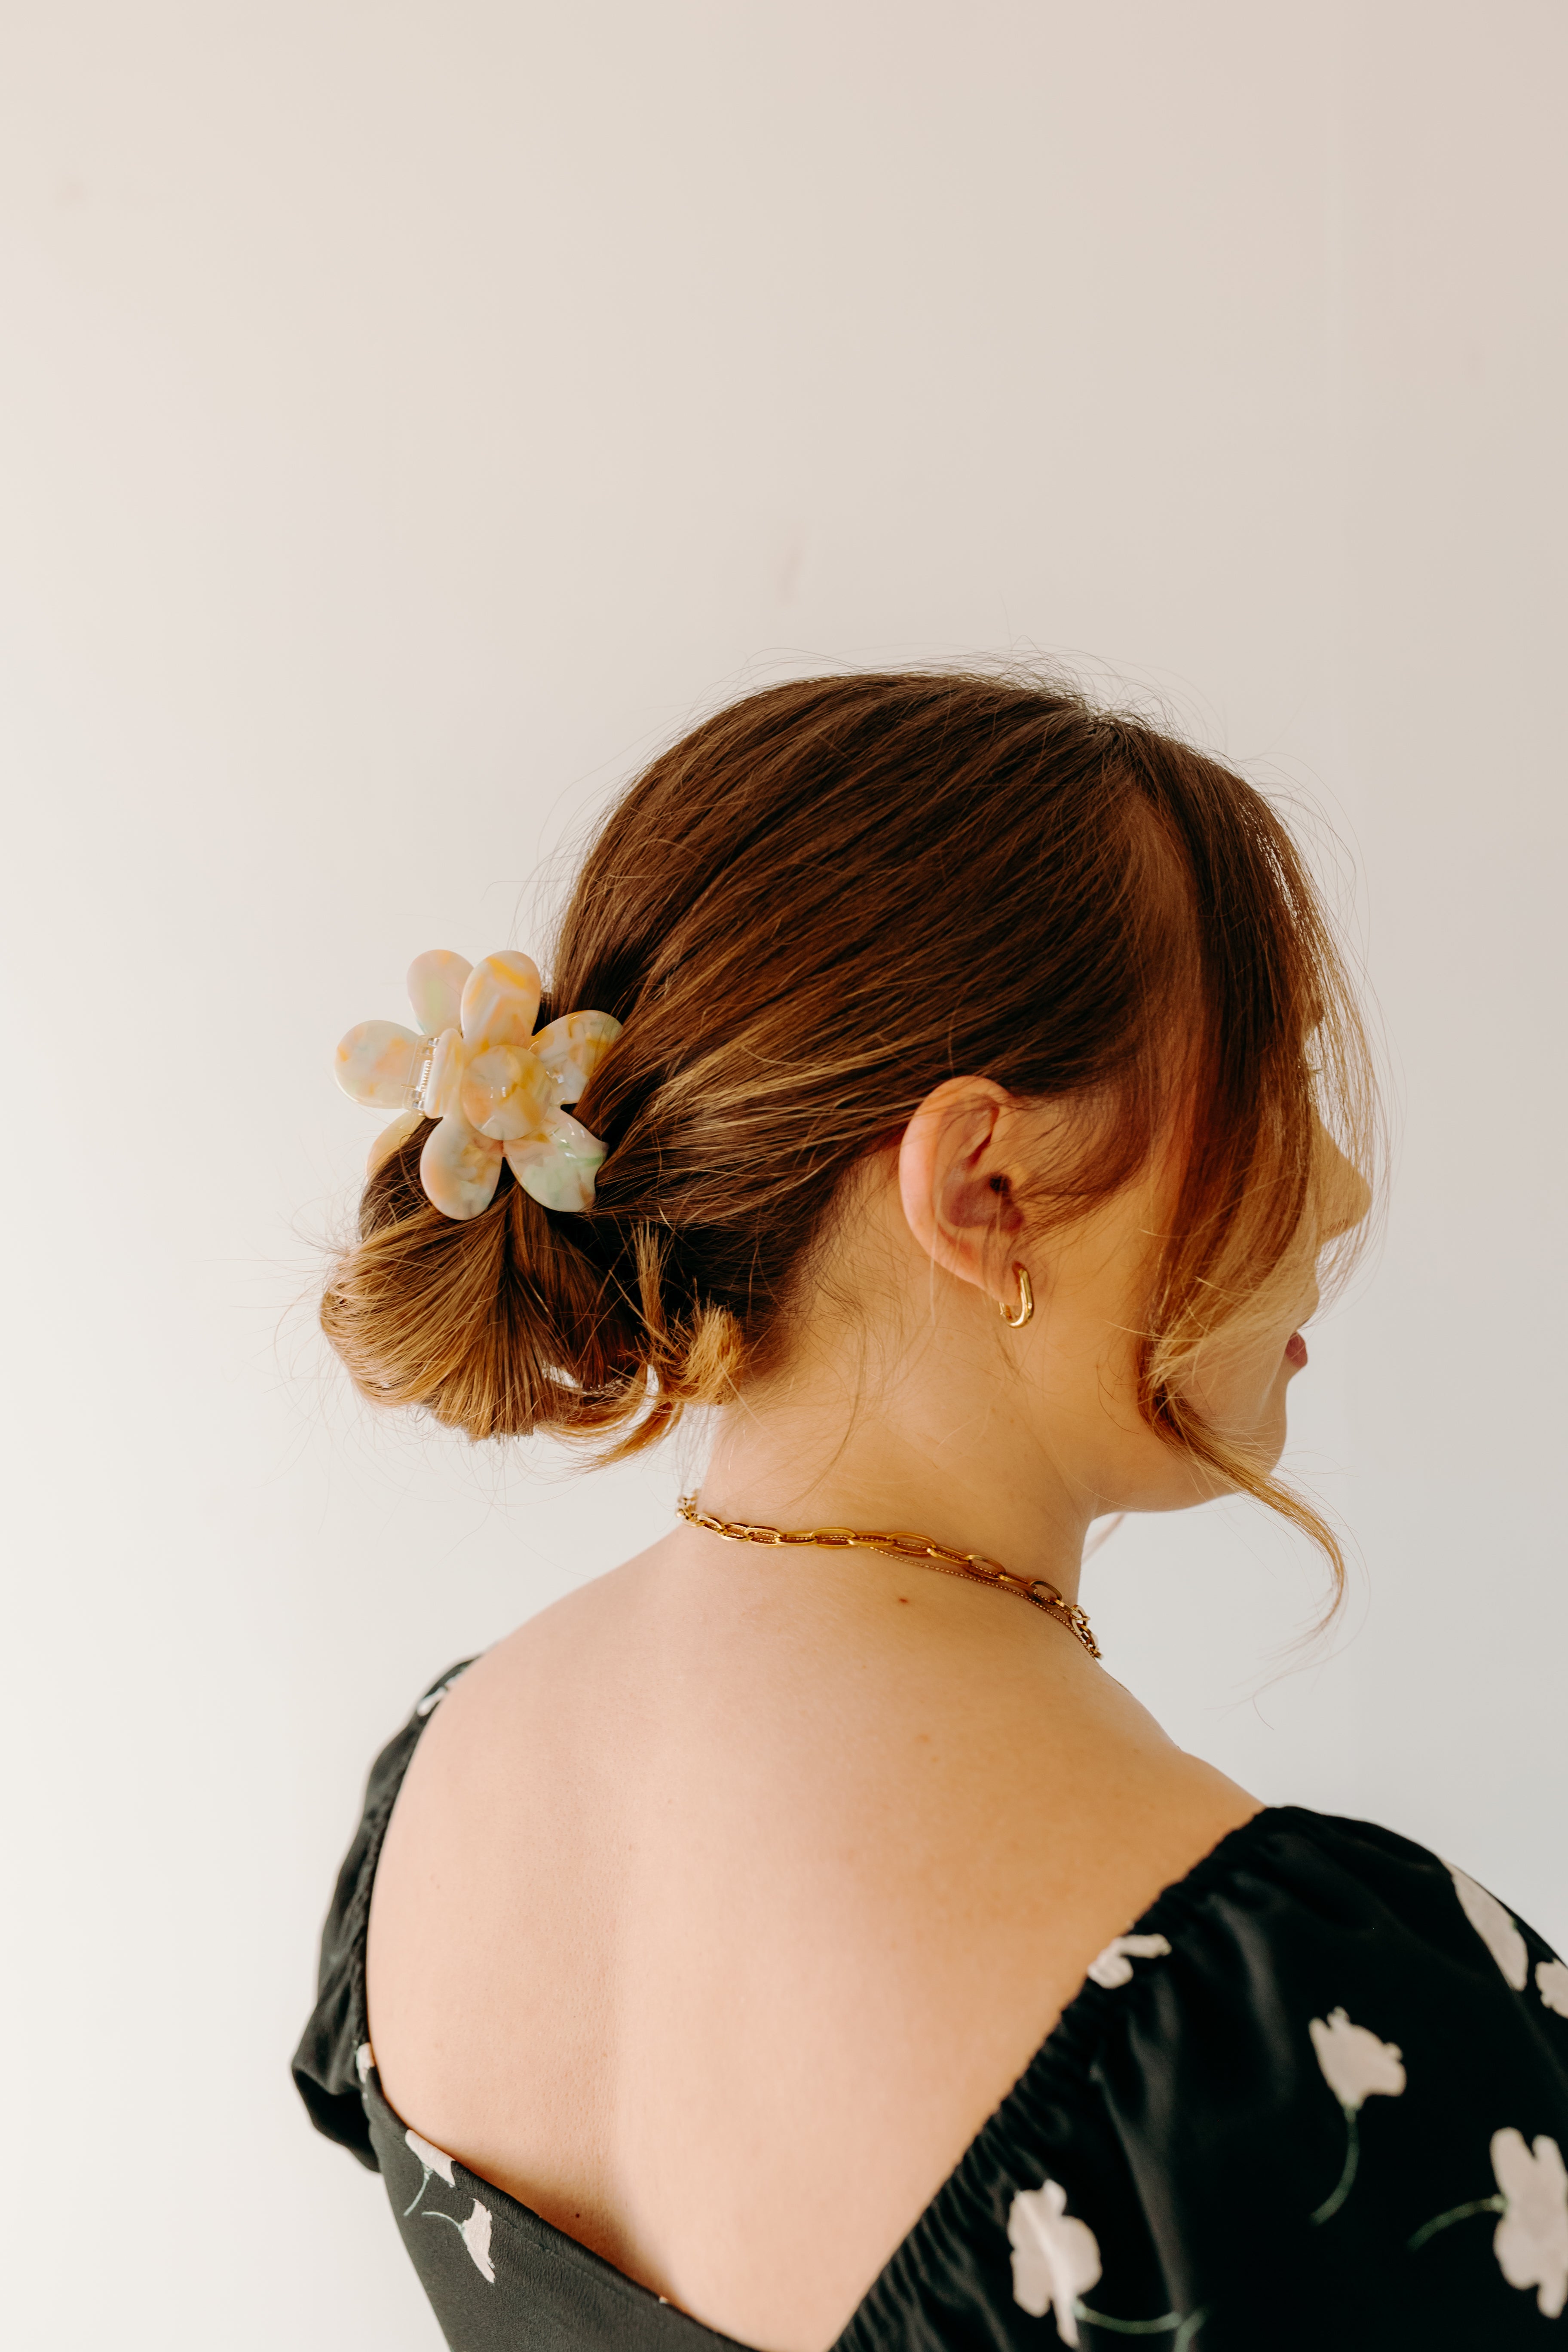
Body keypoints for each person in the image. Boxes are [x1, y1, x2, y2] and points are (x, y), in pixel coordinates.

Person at [294, 671, 1568, 2350]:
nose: (1334, 1192)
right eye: (1276, 1080)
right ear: (984, 1186)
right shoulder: (1295, 2036)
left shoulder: (443, 1777)